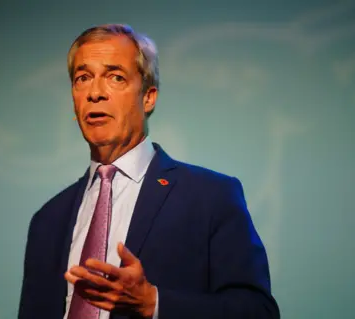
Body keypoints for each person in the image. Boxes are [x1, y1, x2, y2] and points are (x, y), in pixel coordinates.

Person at [18, 24, 280, 319]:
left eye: (115, 77)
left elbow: (258, 312)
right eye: (82, 78)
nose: (94, 93)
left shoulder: (211, 197)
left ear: (148, 97)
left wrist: (153, 304)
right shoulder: (47, 220)